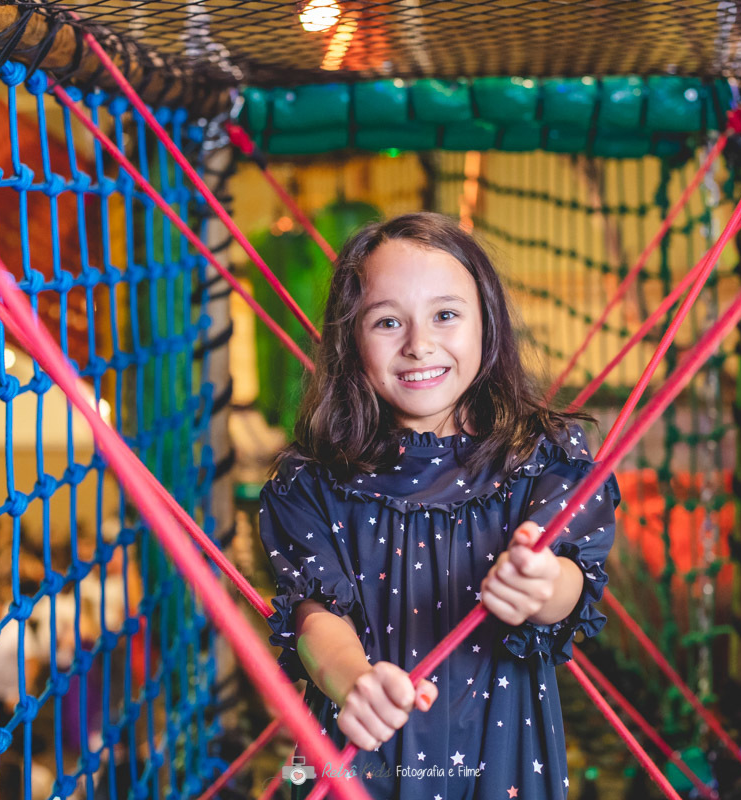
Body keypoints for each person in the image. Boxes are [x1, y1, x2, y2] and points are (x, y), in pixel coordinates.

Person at [257, 212, 620, 799]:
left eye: (446, 315)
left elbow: (572, 586)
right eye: (386, 321)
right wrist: (353, 681)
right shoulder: (311, 483)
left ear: (487, 323)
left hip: (499, 758)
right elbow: (314, 616)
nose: (418, 344)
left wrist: (541, 582)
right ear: (351, 338)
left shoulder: (544, 457)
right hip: (363, 757)